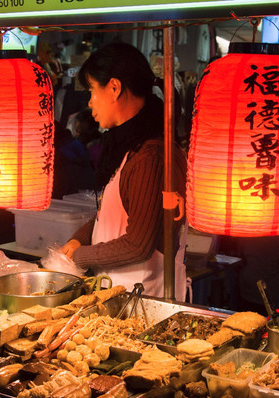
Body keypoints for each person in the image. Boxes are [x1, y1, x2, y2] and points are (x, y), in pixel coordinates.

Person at [60, 41, 188, 300]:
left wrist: (80, 256)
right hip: (120, 298)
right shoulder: (127, 146)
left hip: (144, 303)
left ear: (114, 88)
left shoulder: (151, 156)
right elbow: (113, 215)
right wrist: (80, 238)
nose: (90, 103)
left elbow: (138, 245)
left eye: (92, 91)